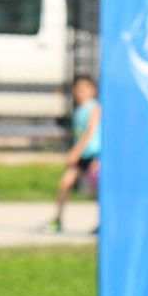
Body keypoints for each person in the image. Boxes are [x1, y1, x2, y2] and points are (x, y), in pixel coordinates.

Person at [48, 74, 100, 233]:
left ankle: (103, 223)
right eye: (78, 89)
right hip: (80, 155)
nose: (80, 92)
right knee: (64, 183)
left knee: (97, 190)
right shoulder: (78, 110)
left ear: (92, 90)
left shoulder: (94, 108)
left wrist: (75, 151)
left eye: (84, 89)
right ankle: (58, 219)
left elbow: (90, 133)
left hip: (93, 154)